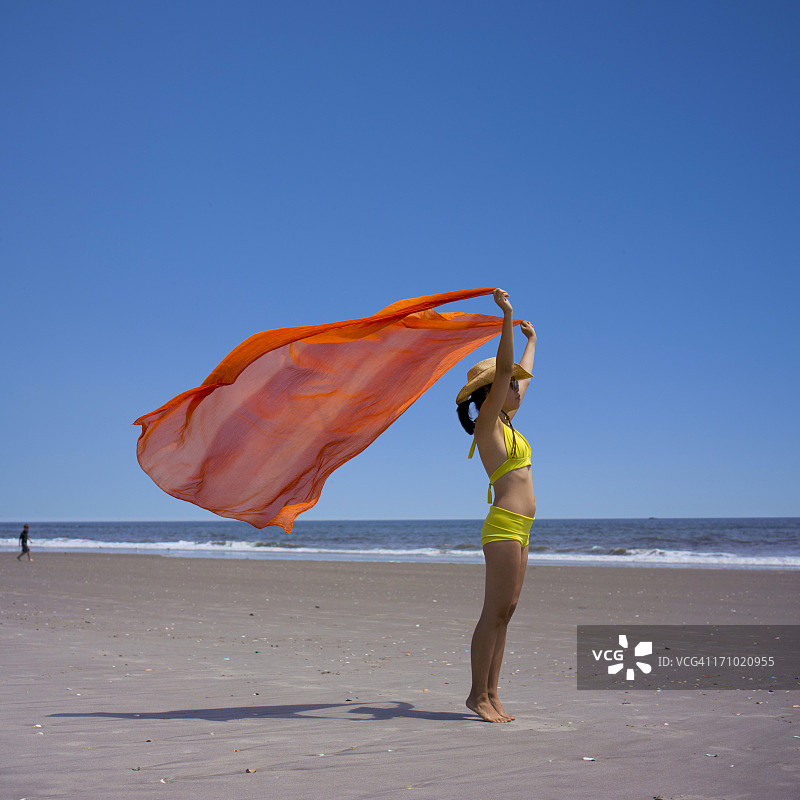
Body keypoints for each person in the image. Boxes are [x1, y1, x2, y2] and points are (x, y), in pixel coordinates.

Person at [456, 288, 536, 722]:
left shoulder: (507, 422)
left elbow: (518, 375)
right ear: (491, 392)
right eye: (510, 386)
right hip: (504, 524)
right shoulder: (488, 423)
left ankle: (492, 691)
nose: (519, 389)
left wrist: (533, 341)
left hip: (522, 529)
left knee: (507, 612)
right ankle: (476, 695)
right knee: (493, 611)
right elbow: (506, 370)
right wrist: (506, 316)